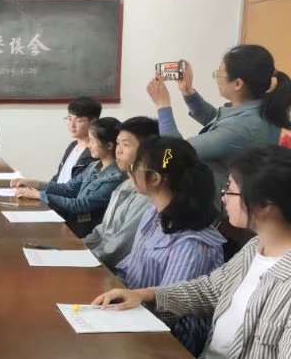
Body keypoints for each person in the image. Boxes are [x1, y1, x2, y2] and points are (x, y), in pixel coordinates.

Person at [94, 145, 291, 359]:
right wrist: (144, 295)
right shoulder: (254, 248)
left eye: (230, 190)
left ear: (264, 205)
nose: (224, 197)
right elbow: (208, 290)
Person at [113, 136, 224, 355]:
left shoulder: (191, 243)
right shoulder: (153, 213)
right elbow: (130, 264)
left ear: (155, 179)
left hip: (168, 341)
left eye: (135, 166)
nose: (130, 171)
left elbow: (170, 311)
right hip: (135, 315)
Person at [147, 45, 291, 196]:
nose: (217, 79)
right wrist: (188, 91)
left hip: (217, 204)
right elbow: (217, 121)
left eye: (219, 73)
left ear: (238, 84)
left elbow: (173, 153)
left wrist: (162, 105)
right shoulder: (258, 109)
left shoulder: (246, 126)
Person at [12, 117, 125, 237]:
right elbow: (68, 189)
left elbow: (80, 205)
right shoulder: (94, 166)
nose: (88, 146)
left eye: (92, 141)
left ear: (109, 145)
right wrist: (36, 184)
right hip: (71, 224)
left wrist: (40, 195)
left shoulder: (115, 178)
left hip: (84, 233)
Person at [82, 116, 159, 269]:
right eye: (118, 143)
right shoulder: (125, 185)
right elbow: (102, 231)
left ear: (146, 150)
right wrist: (77, 248)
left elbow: (119, 248)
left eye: (126, 144)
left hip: (112, 271)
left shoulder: (146, 195)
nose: (118, 150)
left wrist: (83, 260)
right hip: (98, 260)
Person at [52, 97, 102, 184]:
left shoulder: (95, 153)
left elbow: (76, 189)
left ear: (93, 121)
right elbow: (58, 180)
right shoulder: (72, 146)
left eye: (78, 121)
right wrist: (37, 186)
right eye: (69, 119)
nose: (72, 125)